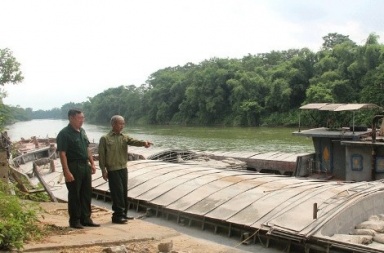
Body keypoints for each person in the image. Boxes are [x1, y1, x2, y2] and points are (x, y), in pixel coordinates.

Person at [98, 115, 152, 224]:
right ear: (113, 124)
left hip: (123, 168)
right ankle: (117, 216)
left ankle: (124, 214)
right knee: (116, 193)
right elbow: (102, 155)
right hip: (113, 169)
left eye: (123, 123)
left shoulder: (124, 137)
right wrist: (103, 170)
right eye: (120, 123)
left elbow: (134, 141)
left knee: (123, 192)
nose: (122, 126)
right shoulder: (105, 138)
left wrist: (144, 143)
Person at [56, 109, 100, 229]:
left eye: (83, 118)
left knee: (86, 193)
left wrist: (92, 163)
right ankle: (75, 220)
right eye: (79, 118)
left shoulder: (82, 131)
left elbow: (87, 148)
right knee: (75, 194)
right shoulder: (64, 133)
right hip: (73, 166)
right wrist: (66, 171)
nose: (82, 120)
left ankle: (86, 218)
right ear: (71, 118)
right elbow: (62, 153)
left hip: (85, 165)